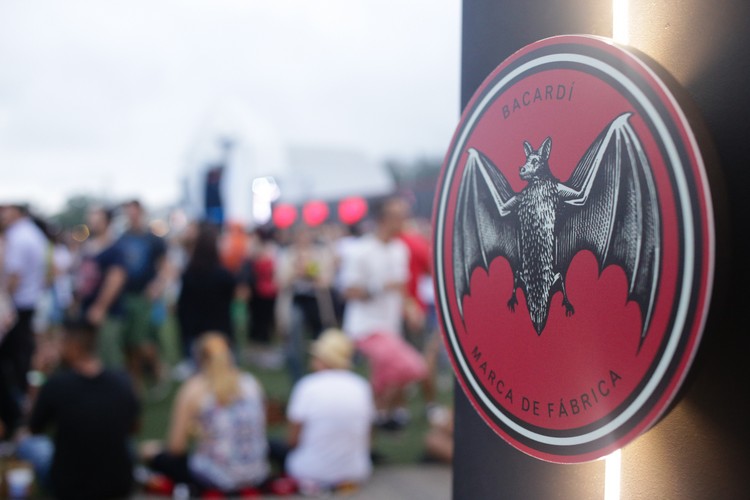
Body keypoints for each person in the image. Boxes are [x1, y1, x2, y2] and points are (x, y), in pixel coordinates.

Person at [16, 320, 140, 500]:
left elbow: (33, 427)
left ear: (73, 346)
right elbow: (134, 427)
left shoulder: (57, 386)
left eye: (61, 342)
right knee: (127, 443)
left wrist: (38, 373)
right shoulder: (123, 382)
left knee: (25, 441)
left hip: (70, 487)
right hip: (119, 483)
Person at [143, 332, 269, 494]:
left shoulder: (194, 388)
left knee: (153, 454)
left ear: (199, 359)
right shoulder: (251, 382)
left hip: (217, 478)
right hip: (258, 475)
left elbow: (176, 447)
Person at [340, 196, 428, 430]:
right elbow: (348, 291)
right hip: (366, 328)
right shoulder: (360, 250)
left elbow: (401, 287)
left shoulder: (399, 249)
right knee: (412, 367)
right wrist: (379, 287)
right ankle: (376, 414)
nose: (404, 221)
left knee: (386, 378)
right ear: (383, 219)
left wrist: (411, 308)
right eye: (399, 216)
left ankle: (376, 416)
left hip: (390, 326)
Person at [283, 328, 375, 494]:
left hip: (310, 472)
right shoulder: (361, 386)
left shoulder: (307, 386)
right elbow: (367, 438)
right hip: (355, 472)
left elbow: (292, 439)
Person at [0, 203, 48, 436]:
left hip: (15, 306)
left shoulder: (17, 236)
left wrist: (4, 300)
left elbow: (14, 274)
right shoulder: (32, 233)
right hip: (23, 304)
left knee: (14, 363)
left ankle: (18, 414)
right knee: (21, 359)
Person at [115, 199, 168, 392]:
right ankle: (136, 380)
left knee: (143, 341)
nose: (131, 216)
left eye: (134, 212)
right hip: (127, 296)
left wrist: (157, 286)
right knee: (129, 342)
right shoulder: (122, 238)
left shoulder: (153, 239)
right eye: (128, 212)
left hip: (145, 298)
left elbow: (165, 266)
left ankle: (158, 373)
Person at [276, 226, 336, 382]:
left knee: (320, 339)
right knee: (294, 341)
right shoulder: (287, 254)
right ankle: (297, 377)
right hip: (295, 300)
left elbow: (327, 279)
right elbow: (280, 280)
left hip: (316, 302)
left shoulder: (320, 254)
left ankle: (321, 376)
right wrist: (296, 270)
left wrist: (311, 271)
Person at [73, 206, 128, 366]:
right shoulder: (88, 246)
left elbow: (116, 278)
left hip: (108, 312)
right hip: (86, 306)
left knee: (108, 354)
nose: (93, 221)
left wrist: (100, 307)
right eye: (91, 217)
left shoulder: (114, 248)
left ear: (107, 222)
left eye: (97, 218)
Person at [176, 222, 237, 358]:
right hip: (220, 332)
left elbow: (183, 306)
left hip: (195, 333)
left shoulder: (189, 275)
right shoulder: (224, 275)